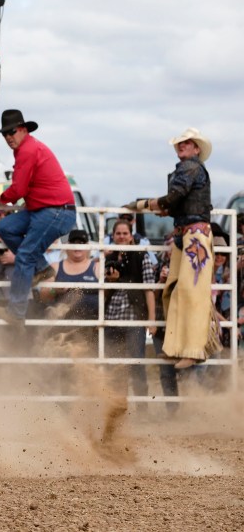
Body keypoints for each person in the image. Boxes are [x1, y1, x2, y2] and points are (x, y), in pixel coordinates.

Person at [126, 127, 220, 370]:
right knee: (178, 290)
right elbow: (175, 201)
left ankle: (192, 349)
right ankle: (178, 348)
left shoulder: (190, 168)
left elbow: (173, 198)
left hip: (194, 235)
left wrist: (143, 204)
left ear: (196, 148)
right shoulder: (191, 169)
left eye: (187, 143)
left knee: (189, 291)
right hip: (188, 235)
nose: (182, 145)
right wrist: (160, 205)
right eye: (181, 143)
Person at [0, 109, 77, 325]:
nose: (8, 136)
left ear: (23, 130)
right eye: (5, 133)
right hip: (47, 209)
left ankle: (16, 312)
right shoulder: (29, 148)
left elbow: (17, 190)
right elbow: (28, 186)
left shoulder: (27, 150)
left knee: (25, 255)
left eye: (12, 131)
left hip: (55, 211)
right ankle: (42, 268)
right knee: (6, 227)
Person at [103, 218, 157, 407]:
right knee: (114, 365)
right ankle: (118, 407)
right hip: (112, 315)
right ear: (113, 236)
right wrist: (111, 281)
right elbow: (103, 291)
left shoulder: (142, 256)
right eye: (118, 233)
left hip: (134, 315)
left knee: (136, 364)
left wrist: (152, 320)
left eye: (125, 233)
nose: (122, 237)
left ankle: (142, 408)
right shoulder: (108, 257)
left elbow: (149, 289)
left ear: (131, 235)